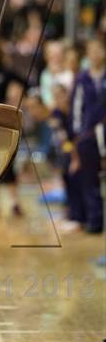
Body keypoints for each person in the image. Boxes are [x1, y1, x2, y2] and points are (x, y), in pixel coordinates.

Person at [69, 38, 105, 234]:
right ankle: (95, 220)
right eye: (91, 50)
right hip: (88, 137)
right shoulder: (82, 79)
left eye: (99, 49)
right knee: (89, 180)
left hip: (104, 134)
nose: (95, 54)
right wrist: (78, 136)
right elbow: (76, 109)